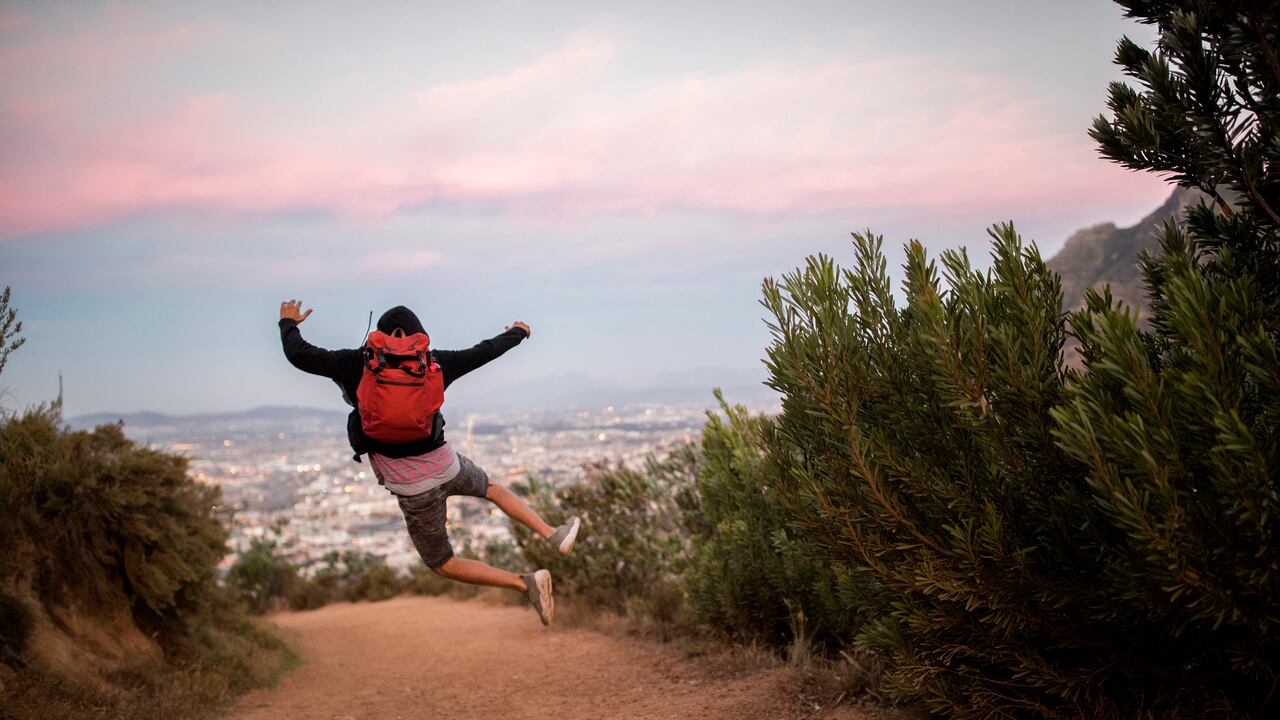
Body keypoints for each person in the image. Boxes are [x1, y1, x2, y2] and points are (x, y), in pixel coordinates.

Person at [276, 299, 579, 625]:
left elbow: (299, 354)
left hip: (413, 489)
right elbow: (485, 351)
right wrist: (517, 332)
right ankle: (553, 534)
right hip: (448, 467)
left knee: (443, 563)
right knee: (491, 488)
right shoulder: (434, 363)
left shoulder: (357, 364)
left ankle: (525, 583)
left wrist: (288, 323)